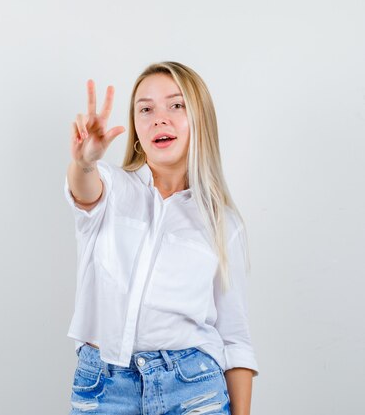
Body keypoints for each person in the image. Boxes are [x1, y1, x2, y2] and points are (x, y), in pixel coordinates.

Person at [63, 61, 259, 415]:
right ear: (136, 127)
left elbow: (235, 340)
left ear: (199, 118)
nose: (159, 118)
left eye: (176, 105)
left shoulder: (222, 223)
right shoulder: (112, 187)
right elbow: (84, 191)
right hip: (104, 389)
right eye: (146, 109)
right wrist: (85, 163)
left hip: (193, 388)